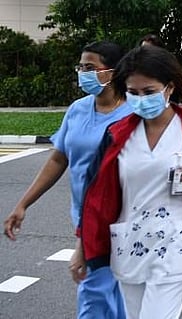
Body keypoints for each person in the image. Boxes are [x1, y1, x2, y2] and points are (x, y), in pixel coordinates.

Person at [79, 45, 182, 319]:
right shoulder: (117, 136)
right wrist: (83, 247)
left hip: (176, 248)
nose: (141, 99)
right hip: (129, 247)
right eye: (133, 93)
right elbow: (96, 197)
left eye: (149, 92)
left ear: (169, 88)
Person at [3, 41, 132, 318]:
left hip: (119, 218)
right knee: (112, 296)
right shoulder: (78, 109)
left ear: (112, 72)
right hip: (84, 217)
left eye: (90, 67)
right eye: (81, 67)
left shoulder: (133, 114)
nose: (83, 73)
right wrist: (23, 204)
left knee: (93, 293)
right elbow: (58, 159)